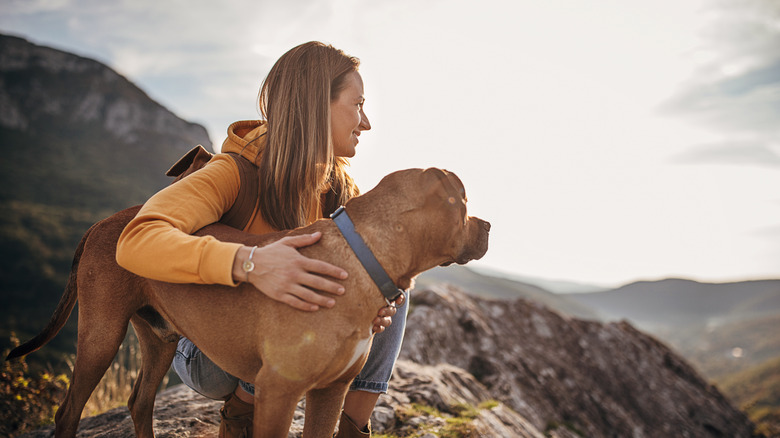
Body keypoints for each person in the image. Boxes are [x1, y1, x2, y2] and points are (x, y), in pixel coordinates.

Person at [116, 41, 407, 438]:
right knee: (286, 290)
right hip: (211, 354)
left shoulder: (340, 189)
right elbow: (136, 238)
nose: (366, 121)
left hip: (288, 349)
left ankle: (352, 429)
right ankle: (240, 418)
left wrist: (371, 307)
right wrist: (250, 263)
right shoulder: (233, 172)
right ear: (315, 106)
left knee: (390, 278)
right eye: (357, 104)